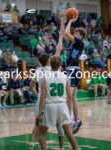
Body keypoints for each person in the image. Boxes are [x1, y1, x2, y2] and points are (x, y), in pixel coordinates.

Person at [28, 12, 66, 150]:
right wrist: (61, 34)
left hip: (41, 100)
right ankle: (61, 147)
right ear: (48, 61)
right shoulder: (52, 69)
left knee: (37, 124)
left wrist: (36, 93)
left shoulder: (38, 71)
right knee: (59, 124)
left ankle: (31, 145)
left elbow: (30, 87)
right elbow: (59, 49)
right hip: (52, 100)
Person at [37, 56, 78, 150]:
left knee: (42, 133)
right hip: (62, 106)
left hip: (50, 106)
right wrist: (70, 110)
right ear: (60, 65)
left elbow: (42, 95)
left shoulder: (45, 76)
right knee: (69, 133)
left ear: (50, 64)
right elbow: (69, 96)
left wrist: (40, 111)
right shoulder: (65, 77)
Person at [65, 16, 86, 133]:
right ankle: (76, 120)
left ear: (81, 36)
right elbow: (65, 34)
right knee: (72, 97)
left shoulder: (79, 42)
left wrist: (70, 21)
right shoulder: (72, 43)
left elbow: (67, 33)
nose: (75, 34)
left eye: (77, 33)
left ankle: (70, 121)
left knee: (69, 97)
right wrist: (64, 20)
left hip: (73, 70)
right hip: (71, 70)